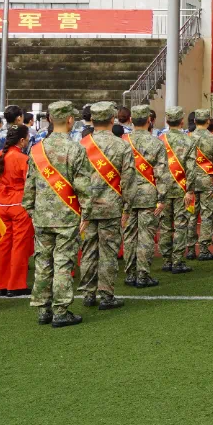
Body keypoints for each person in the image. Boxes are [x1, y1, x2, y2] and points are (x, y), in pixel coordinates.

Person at [22, 101, 91, 327]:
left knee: (43, 261)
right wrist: (86, 213)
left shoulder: (36, 149)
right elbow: (83, 186)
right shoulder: (75, 149)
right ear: (70, 120)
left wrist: (30, 209)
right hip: (67, 216)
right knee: (63, 262)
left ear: (51, 119)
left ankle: (43, 309)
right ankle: (60, 310)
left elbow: (29, 185)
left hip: (42, 215)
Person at [78, 102, 135, 311]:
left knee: (88, 251)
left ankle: (88, 293)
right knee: (108, 252)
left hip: (86, 208)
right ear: (113, 119)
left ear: (92, 120)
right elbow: (129, 181)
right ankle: (106, 295)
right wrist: (127, 208)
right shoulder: (122, 145)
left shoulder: (81, 145)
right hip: (111, 207)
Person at [122, 105, 169, 289]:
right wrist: (162, 198)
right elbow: (161, 174)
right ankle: (142, 275)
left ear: (131, 120)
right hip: (149, 194)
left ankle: (130, 273)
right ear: (149, 121)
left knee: (129, 235)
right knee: (146, 236)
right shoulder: (156, 143)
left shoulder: (122, 141)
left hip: (127, 195)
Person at [0, 124, 34, 297]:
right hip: (19, 204)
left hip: (2, 203)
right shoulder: (22, 159)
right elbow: (30, 184)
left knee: (2, 245)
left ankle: (0, 284)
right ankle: (15, 285)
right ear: (22, 140)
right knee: (19, 245)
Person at [158, 107, 196, 275]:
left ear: (167, 121)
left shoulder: (160, 140)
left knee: (165, 226)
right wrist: (190, 190)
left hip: (163, 189)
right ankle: (177, 261)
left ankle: (166, 259)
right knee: (181, 225)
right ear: (181, 121)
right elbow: (191, 168)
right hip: (182, 189)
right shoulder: (189, 141)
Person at [189, 109, 213, 261]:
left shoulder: (188, 138)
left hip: (190, 181)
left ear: (194, 121)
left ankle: (190, 248)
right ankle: (203, 249)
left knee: (191, 214)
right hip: (207, 180)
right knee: (206, 214)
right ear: (208, 121)